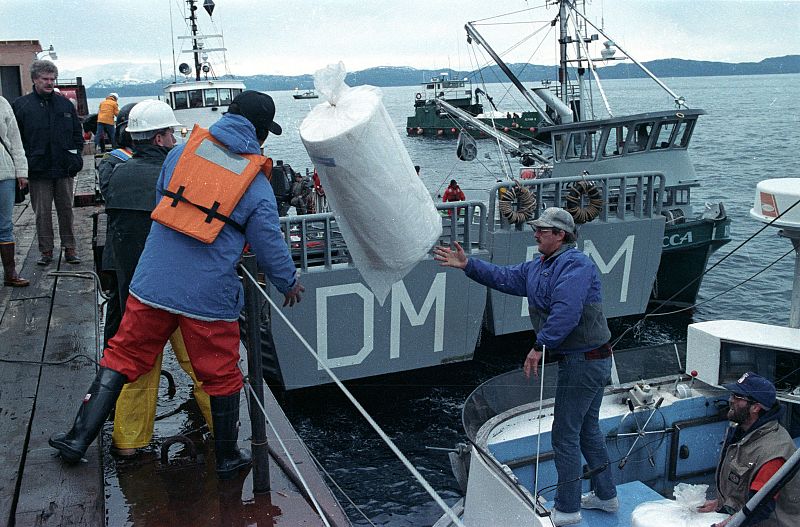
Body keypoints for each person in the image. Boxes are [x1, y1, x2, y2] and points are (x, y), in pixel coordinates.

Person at [49, 90, 304, 481]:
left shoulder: (179, 153)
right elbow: (269, 246)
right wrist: (288, 283)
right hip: (206, 297)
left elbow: (162, 208)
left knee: (123, 356)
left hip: (151, 283)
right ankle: (227, 458)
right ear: (258, 132)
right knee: (220, 374)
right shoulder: (255, 184)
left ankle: (76, 437)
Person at [433, 207, 615, 526]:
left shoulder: (576, 265)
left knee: (564, 435)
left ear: (560, 235)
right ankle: (606, 496)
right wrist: (467, 265)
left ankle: (569, 510)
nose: (536, 233)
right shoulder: (539, 266)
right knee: (586, 430)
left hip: (586, 363)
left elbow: (567, 312)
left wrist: (538, 347)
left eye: (542, 230)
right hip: (586, 361)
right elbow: (505, 277)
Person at [100, 99, 213, 456]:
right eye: (171, 133)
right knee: (202, 367)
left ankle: (129, 443)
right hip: (177, 291)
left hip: (136, 295)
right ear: (162, 138)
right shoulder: (178, 176)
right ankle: (225, 432)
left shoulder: (115, 173)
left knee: (138, 370)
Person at [698, 372, 800, 527]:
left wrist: (728, 523)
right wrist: (721, 504)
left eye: (738, 397)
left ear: (755, 408)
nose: (730, 399)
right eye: (732, 394)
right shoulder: (741, 431)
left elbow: (760, 507)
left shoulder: (773, 453)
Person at [12, 59, 83, 266]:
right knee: (42, 213)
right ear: (35, 79)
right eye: (45, 79)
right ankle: (46, 251)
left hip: (63, 168)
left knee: (66, 211)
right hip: (38, 170)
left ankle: (70, 249)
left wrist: (75, 157)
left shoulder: (65, 104)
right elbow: (16, 140)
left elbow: (77, 134)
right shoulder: (22, 106)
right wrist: (22, 169)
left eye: (52, 79)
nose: (49, 82)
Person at [0, 95, 29, 287]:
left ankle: (10, 273)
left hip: (5, 173)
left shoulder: (2, 103)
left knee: (5, 226)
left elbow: (15, 140)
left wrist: (22, 171)